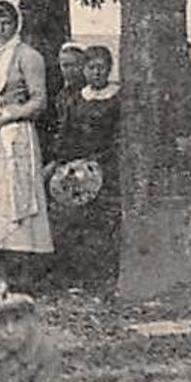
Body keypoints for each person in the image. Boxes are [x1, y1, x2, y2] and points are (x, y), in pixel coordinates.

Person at [0, 0, 53, 286]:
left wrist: (6, 117)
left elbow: (39, 101)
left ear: (16, 24)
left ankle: (20, 268)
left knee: (16, 197)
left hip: (14, 135)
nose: (0, 29)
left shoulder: (28, 56)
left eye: (6, 23)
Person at [45, 45, 121, 286]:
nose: (97, 73)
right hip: (76, 163)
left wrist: (100, 160)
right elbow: (66, 134)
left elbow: (119, 135)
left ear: (109, 69)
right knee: (69, 214)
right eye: (91, 68)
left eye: (101, 68)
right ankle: (72, 272)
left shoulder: (117, 98)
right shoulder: (76, 99)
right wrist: (62, 161)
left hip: (107, 164)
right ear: (84, 70)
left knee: (103, 218)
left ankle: (102, 272)